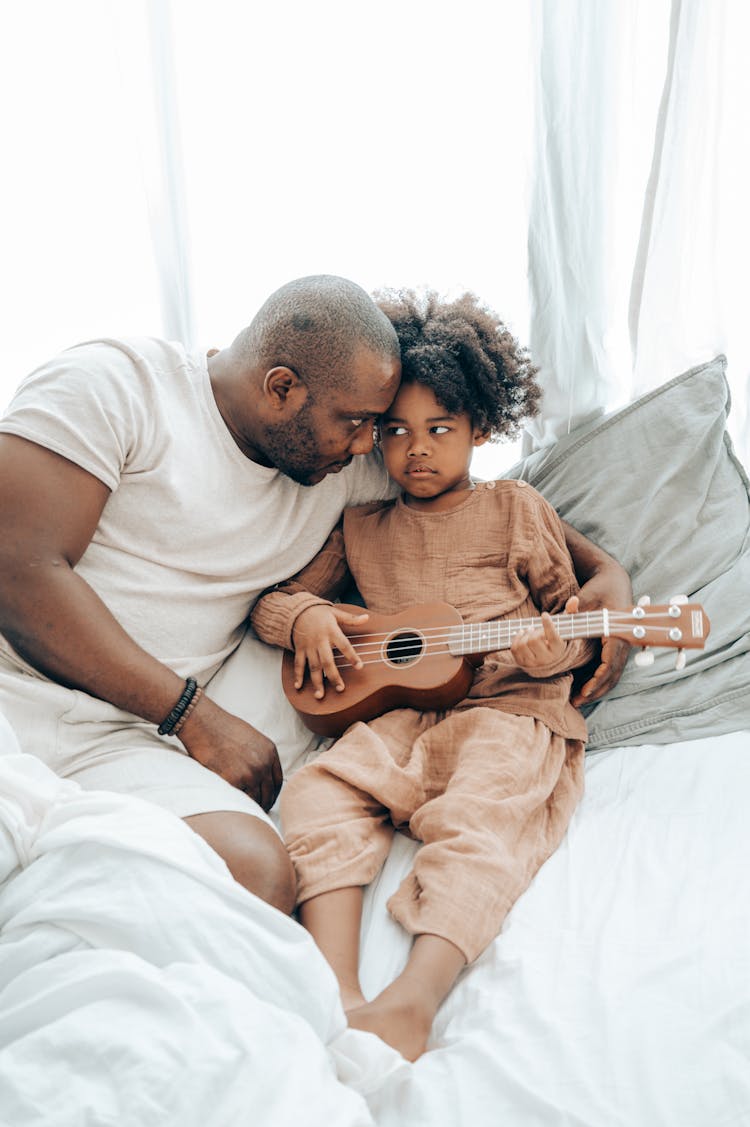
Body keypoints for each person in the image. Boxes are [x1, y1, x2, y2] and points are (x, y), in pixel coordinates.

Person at [0, 276, 629, 918]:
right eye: (359, 425)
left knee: (259, 877)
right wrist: (197, 719)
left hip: (122, 743)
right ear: (281, 389)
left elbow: (470, 500)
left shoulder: (340, 464)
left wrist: (606, 571)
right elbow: (17, 572)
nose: (370, 448)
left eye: (375, 429)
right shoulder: (116, 385)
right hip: (17, 700)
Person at [250, 289, 611, 1060]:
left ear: (480, 427)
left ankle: (413, 999)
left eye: (439, 430)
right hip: (402, 717)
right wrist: (304, 619)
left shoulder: (517, 509)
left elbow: (568, 615)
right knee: (317, 790)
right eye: (396, 432)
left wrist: (560, 651)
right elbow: (277, 604)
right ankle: (337, 985)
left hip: (509, 713)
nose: (416, 449)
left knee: (486, 822)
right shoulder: (364, 525)